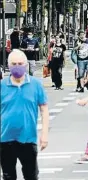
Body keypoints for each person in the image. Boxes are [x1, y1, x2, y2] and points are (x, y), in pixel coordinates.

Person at [0, 49, 49, 180]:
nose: (17, 67)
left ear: (26, 65)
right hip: (5, 139)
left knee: (31, 175)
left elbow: (44, 109)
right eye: (14, 63)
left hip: (28, 138)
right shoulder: (2, 86)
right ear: (8, 65)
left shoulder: (36, 84)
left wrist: (44, 134)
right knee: (8, 176)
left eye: (20, 63)